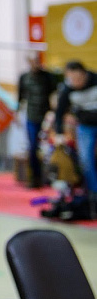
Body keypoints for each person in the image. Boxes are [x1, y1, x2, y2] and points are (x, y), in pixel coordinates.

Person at [55, 60, 97, 215]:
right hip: (85, 126)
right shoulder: (67, 89)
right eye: (71, 79)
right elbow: (59, 112)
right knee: (85, 160)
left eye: (78, 79)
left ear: (84, 73)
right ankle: (93, 195)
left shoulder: (95, 80)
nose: (75, 83)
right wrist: (59, 133)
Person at [17, 54, 58, 187]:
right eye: (32, 61)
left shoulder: (48, 77)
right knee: (33, 147)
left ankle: (50, 177)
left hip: (46, 117)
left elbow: (54, 95)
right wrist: (16, 113)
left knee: (49, 148)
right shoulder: (24, 77)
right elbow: (20, 97)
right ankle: (35, 177)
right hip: (31, 116)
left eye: (37, 61)